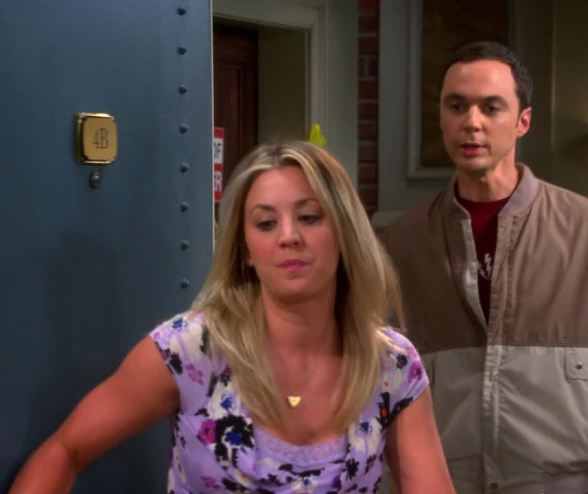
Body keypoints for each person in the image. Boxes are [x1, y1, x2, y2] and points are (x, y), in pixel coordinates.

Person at [11, 141, 455, 494]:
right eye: (266, 224)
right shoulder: (190, 350)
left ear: (344, 233)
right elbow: (65, 451)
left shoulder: (391, 364)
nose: (289, 237)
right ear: (245, 251)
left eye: (308, 217)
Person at [382, 41, 588, 493]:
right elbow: (380, 394)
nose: (471, 122)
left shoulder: (586, 229)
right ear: (441, 117)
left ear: (523, 121)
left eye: (491, 107)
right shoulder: (404, 242)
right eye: (456, 106)